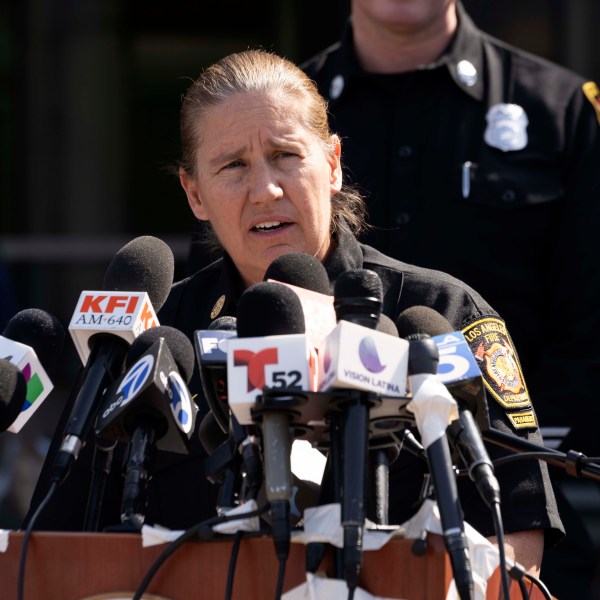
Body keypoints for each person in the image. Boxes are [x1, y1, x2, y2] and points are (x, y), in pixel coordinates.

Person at [27, 49, 562, 579]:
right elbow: (54, 547)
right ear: (194, 193)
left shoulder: (439, 313)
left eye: (286, 155)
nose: (266, 190)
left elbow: (513, 544)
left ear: (331, 164)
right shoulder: (152, 335)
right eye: (233, 166)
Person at [298, 1, 600, 594]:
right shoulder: (286, 113)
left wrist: (526, 460)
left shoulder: (559, 110)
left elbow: (590, 322)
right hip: (315, 497)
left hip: (513, 500)